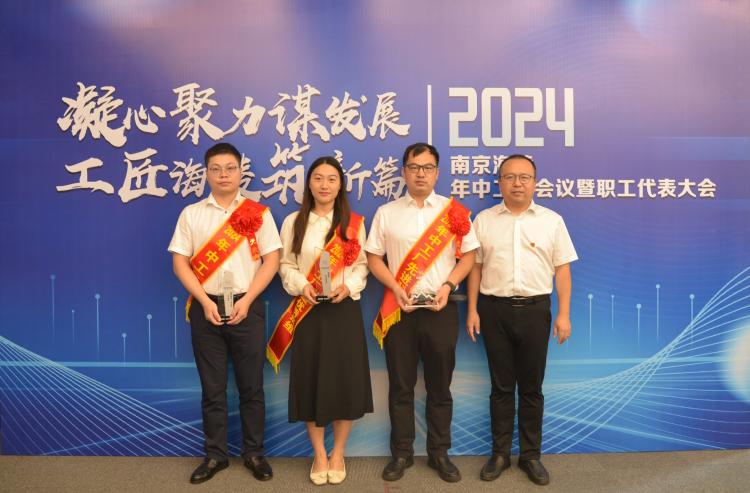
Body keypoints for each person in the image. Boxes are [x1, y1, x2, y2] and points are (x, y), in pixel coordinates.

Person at [168, 142, 281, 484]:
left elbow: (272, 260)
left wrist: (248, 300)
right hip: (206, 307)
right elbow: (180, 262)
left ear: (240, 172)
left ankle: (254, 453)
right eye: (216, 169)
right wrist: (204, 301)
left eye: (230, 168)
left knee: (252, 387)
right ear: (206, 173)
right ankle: (215, 455)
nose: (223, 175)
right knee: (212, 388)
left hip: (248, 306)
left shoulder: (258, 213)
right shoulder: (192, 214)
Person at [365, 142, 479, 483]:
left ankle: (439, 452)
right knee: (400, 386)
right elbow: (373, 257)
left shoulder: (453, 211)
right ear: (403, 172)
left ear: (437, 173)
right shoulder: (387, 212)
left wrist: (449, 285)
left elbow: (469, 256)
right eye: (414, 167)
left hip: (441, 309)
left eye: (427, 168)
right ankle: (401, 453)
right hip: (400, 309)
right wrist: (394, 286)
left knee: (439, 386)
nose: (420, 174)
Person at [466, 154, 578, 486]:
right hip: (494, 310)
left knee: (531, 388)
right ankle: (500, 454)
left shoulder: (552, 221)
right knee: (501, 387)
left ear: (535, 182)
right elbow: (475, 268)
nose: (517, 183)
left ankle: (530, 455)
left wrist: (564, 314)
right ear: (500, 182)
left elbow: (562, 270)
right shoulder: (484, 220)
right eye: (510, 177)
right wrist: (472, 309)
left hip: (535, 311)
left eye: (524, 177)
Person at [268, 156, 373, 485]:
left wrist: (348, 286)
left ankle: (338, 452)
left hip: (344, 310)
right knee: (311, 380)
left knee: (344, 381)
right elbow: (285, 265)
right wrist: (303, 285)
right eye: (318, 178)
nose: (324, 185)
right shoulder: (293, 222)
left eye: (331, 179)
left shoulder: (353, 223)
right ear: (309, 184)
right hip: (308, 310)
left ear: (340, 185)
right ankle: (319, 455)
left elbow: (363, 265)